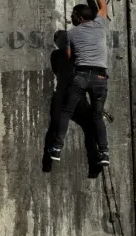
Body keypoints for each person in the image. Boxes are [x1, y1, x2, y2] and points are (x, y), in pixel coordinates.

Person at [49, 0, 111, 166]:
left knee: (66, 112)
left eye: (73, 16)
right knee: (97, 116)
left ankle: (57, 148)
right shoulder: (100, 25)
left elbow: (69, 59)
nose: (71, 18)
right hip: (100, 77)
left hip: (81, 76)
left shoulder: (71, 34)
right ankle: (104, 153)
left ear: (78, 18)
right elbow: (103, 7)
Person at [43, 30, 102, 178]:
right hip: (76, 97)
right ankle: (94, 164)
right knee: (90, 129)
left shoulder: (55, 56)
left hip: (61, 96)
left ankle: (47, 163)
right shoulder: (76, 55)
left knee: (54, 129)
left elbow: (59, 71)